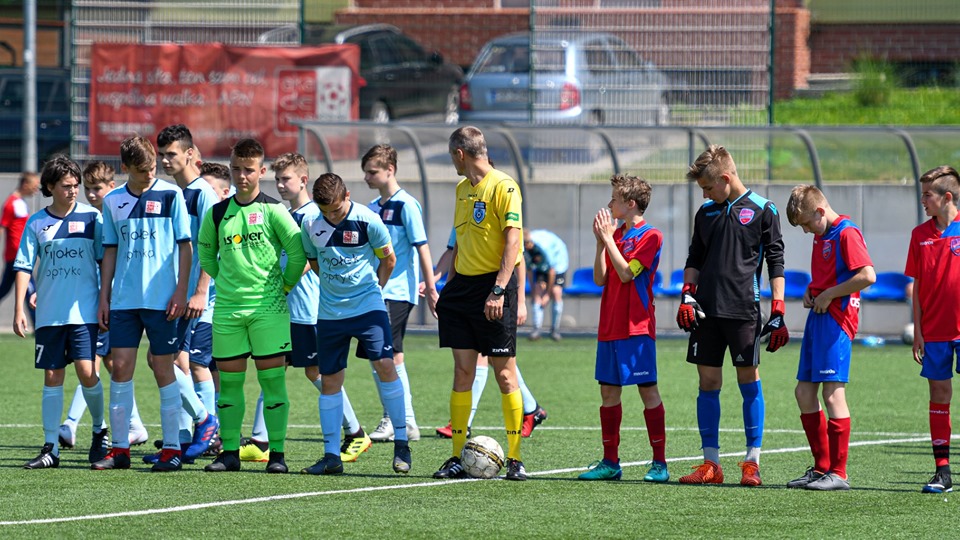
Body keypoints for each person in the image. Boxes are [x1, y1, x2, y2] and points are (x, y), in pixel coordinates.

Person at [676, 144, 787, 487]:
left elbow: (776, 262)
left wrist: (779, 308)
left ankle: (752, 463)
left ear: (726, 178)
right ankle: (711, 464)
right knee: (707, 383)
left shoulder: (763, 210)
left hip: (743, 312)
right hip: (705, 312)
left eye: (708, 187)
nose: (705, 194)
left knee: (748, 381)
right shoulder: (706, 213)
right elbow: (694, 257)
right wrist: (687, 294)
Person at [198, 138, 305, 474]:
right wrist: (226, 283)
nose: (242, 176)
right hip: (228, 312)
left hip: (268, 311)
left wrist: (283, 286)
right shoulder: (217, 213)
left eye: (248, 170)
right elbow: (206, 254)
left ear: (261, 171)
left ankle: (277, 455)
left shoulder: (275, 210)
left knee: (272, 384)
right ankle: (229, 453)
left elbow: (298, 253)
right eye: (236, 169)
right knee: (228, 387)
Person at [256, 152, 371, 465]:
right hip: (284, 309)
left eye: (286, 179)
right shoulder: (285, 214)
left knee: (316, 372)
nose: (280, 185)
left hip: (307, 309)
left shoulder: (313, 215)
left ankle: (356, 432)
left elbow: (310, 259)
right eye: (277, 179)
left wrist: (283, 284)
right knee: (272, 367)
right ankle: (260, 440)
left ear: (303, 180)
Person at [91, 135, 193, 472]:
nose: (150, 173)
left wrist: (181, 290)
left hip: (163, 300)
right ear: (125, 168)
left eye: (152, 167)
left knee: (163, 369)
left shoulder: (171, 194)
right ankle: (120, 449)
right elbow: (110, 251)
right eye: (142, 170)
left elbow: (185, 246)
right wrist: (104, 297)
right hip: (124, 301)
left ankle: (172, 448)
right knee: (120, 369)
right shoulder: (113, 201)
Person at [298, 172, 410, 476]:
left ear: (347, 196)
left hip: (368, 308)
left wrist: (375, 289)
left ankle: (402, 444)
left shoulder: (368, 220)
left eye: (336, 209)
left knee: (385, 365)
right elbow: (314, 262)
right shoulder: (310, 224)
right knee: (330, 381)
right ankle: (331, 455)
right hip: (330, 314)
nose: (331, 216)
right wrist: (335, 288)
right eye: (325, 211)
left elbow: (388, 260)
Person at [433, 126, 527, 481]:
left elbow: (513, 242)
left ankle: (515, 458)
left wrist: (499, 291)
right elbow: (460, 243)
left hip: (494, 285)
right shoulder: (461, 189)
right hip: (463, 289)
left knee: (504, 374)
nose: (452, 163)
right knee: (462, 372)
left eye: (451, 156)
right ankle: (457, 456)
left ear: (460, 154)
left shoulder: (504, 186)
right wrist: (448, 287)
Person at [12, 156, 108, 469]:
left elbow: (104, 261)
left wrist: (105, 299)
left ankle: (99, 431)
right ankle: (51, 447)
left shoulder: (93, 217)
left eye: (76, 185)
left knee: (86, 371)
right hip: (50, 313)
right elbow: (24, 266)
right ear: (50, 186)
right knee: (52, 376)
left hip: (85, 311)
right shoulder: (36, 222)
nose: (73, 190)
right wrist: (19, 308)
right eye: (67, 185)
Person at [785, 185, 875, 491]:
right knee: (803, 392)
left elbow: (867, 275)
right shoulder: (822, 234)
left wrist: (829, 294)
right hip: (819, 316)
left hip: (837, 320)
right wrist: (813, 290)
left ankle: (839, 472)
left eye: (807, 224)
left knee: (833, 394)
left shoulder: (846, 233)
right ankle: (821, 467)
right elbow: (829, 275)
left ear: (820, 211)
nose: (806, 231)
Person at [137, 124, 219, 464]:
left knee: (168, 360)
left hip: (196, 297)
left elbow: (212, 245)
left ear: (190, 154)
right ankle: (185, 438)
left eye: (172, 154)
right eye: (162, 155)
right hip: (177, 294)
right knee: (171, 360)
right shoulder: (174, 193)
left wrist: (200, 290)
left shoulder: (203, 193)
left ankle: (206, 425)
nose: (165, 160)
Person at [579, 173, 668, 482]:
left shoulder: (651, 236)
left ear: (630, 204)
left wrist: (607, 240)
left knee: (648, 391)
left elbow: (628, 274)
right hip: (610, 325)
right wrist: (600, 244)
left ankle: (660, 464)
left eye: (615, 199)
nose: (609, 204)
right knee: (608, 393)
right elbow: (600, 279)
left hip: (636, 327)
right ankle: (610, 462)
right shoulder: (615, 235)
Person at [59, 161, 150, 450]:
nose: (91, 194)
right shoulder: (91, 218)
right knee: (109, 364)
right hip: (98, 301)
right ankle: (135, 425)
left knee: (92, 362)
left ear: (112, 187)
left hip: (111, 302)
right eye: (87, 188)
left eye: (96, 188)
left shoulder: (113, 215)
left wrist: (106, 296)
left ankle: (70, 424)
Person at [433, 228, 547, 439]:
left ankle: (468, 422)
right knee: (484, 361)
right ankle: (531, 408)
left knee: (498, 364)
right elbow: (453, 250)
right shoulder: (463, 211)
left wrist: (521, 301)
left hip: (495, 293)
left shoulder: (503, 212)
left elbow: (517, 256)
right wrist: (438, 282)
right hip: (467, 292)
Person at [361, 144, 438, 443]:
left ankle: (398, 420)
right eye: (366, 172)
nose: (367, 177)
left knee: (385, 355)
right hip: (375, 291)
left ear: (390, 170)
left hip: (397, 292)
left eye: (372, 172)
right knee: (384, 355)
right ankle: (404, 421)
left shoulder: (407, 205)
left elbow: (422, 247)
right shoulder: (371, 207)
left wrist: (431, 288)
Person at [904, 165, 960, 494]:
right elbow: (918, 286)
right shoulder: (919, 235)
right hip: (935, 332)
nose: (922, 200)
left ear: (947, 197)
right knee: (939, 395)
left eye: (927, 195)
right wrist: (919, 330)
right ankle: (943, 471)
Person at [1, 171, 40, 304]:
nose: (36, 190)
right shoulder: (11, 203)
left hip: (18, 254)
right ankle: (37, 318)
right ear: (25, 184)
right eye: (34, 186)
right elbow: (2, 227)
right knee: (30, 290)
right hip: (17, 255)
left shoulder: (20, 202)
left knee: (4, 289)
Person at [523, 228, 568, 341]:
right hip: (542, 267)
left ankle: (554, 330)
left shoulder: (544, 249)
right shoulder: (524, 248)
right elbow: (529, 269)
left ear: (530, 242)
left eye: (526, 244)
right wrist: (533, 291)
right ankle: (536, 329)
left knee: (556, 292)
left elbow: (552, 271)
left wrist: (547, 295)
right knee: (538, 290)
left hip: (557, 264)